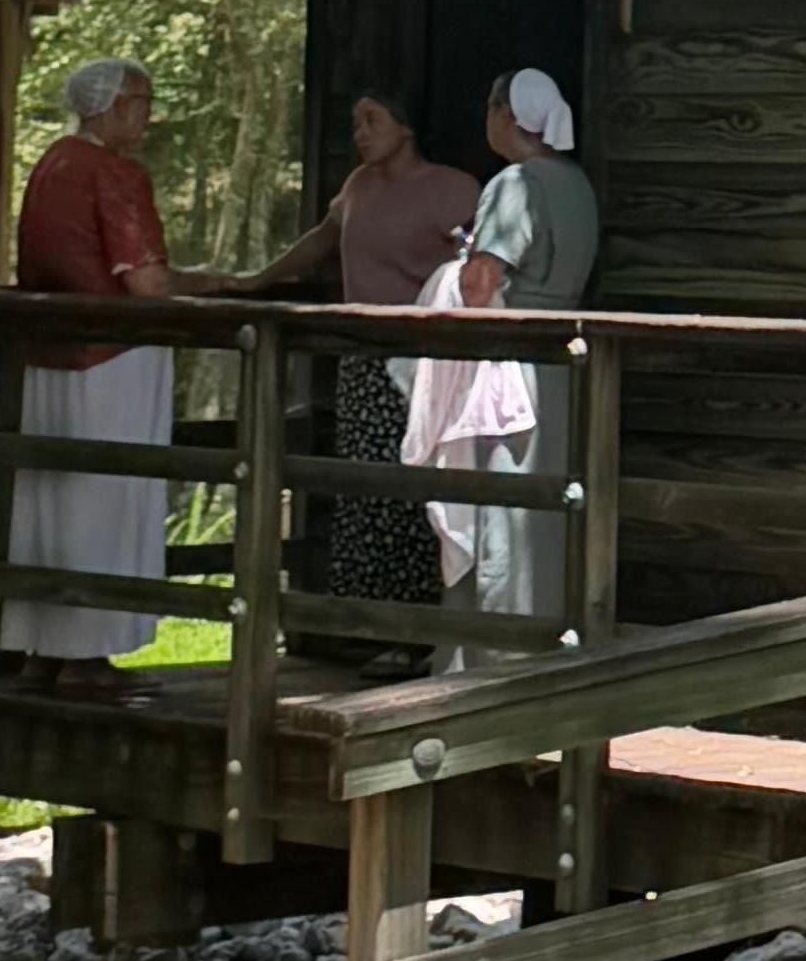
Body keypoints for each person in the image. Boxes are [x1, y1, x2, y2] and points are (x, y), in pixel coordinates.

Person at [240, 83, 478, 609]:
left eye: (373, 121)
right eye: (355, 123)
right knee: (365, 485)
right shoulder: (359, 186)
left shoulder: (452, 189)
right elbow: (323, 237)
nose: (360, 134)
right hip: (362, 360)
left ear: (406, 126)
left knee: (415, 482)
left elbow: (481, 262)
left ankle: (419, 624)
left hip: (423, 359)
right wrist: (258, 280)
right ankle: (366, 617)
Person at [3, 53, 177, 665]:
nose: (148, 121)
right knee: (107, 495)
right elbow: (147, 284)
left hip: (48, 353)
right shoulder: (113, 173)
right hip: (113, 358)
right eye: (143, 105)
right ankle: (90, 652)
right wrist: (214, 284)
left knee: (52, 500)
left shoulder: (51, 164)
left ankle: (47, 648)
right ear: (118, 107)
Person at [450, 66, 600, 636]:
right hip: (568, 365)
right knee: (555, 509)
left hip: (515, 366)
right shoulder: (578, 186)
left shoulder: (517, 184)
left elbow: (480, 283)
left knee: (507, 509)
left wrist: (460, 264)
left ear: (505, 114)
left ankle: (500, 648)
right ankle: (556, 635)